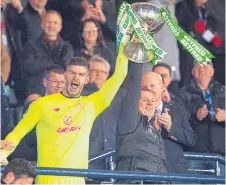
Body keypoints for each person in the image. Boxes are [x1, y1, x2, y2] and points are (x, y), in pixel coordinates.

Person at [0, 44, 129, 184]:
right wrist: (2, 153)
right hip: (47, 179)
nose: (76, 77)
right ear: (65, 75)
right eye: (72, 73)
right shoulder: (41, 104)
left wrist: (125, 43)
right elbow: (18, 132)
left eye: (81, 74)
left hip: (77, 180)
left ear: (86, 79)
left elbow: (119, 76)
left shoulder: (92, 104)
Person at [116, 63, 168, 184]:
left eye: (152, 101)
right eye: (144, 100)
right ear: (134, 103)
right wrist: (137, 59)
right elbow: (134, 83)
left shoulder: (154, 126)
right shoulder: (130, 121)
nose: (150, 104)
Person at [179, 61, 225, 174]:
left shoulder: (224, 91)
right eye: (198, 65)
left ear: (212, 71)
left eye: (206, 64)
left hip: (221, 152)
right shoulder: (183, 93)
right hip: (194, 152)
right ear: (192, 71)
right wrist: (195, 116)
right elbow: (178, 120)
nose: (202, 68)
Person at [21, 10, 74, 104]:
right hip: (37, 90)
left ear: (60, 26)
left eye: (55, 23)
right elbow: (28, 67)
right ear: (42, 24)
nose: (52, 25)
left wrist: (43, 63)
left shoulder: (66, 47)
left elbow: (68, 68)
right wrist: (50, 62)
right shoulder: (30, 45)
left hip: (61, 91)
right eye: (48, 22)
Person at [152, 64, 196, 173]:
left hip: (174, 171)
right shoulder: (139, 108)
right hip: (146, 172)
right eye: (157, 76)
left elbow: (191, 140)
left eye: (163, 77)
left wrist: (170, 127)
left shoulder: (179, 109)